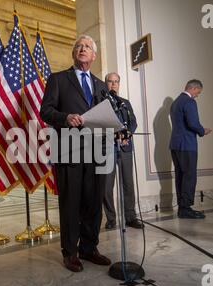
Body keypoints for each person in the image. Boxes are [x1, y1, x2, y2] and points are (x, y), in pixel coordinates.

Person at [40, 35, 111, 272]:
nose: (82, 49)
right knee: (71, 203)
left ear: (94, 56)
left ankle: (89, 248)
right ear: (74, 53)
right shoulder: (58, 79)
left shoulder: (101, 85)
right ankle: (70, 252)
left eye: (87, 47)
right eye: (79, 46)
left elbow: (107, 116)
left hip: (97, 151)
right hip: (68, 149)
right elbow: (45, 111)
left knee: (93, 202)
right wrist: (65, 117)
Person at [102, 72, 143, 230]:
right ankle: (111, 218)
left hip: (125, 146)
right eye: (110, 81)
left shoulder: (125, 102)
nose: (113, 84)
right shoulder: (101, 102)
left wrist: (127, 134)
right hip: (108, 147)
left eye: (116, 82)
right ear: (106, 83)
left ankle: (130, 217)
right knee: (107, 186)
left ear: (119, 84)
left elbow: (133, 121)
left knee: (128, 183)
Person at [169, 79, 212, 219]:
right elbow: (193, 123)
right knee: (189, 176)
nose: (197, 95)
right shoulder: (189, 102)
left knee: (180, 176)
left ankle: (182, 208)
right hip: (187, 145)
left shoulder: (175, 102)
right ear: (193, 88)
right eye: (198, 92)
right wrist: (202, 131)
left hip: (175, 145)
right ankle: (186, 208)